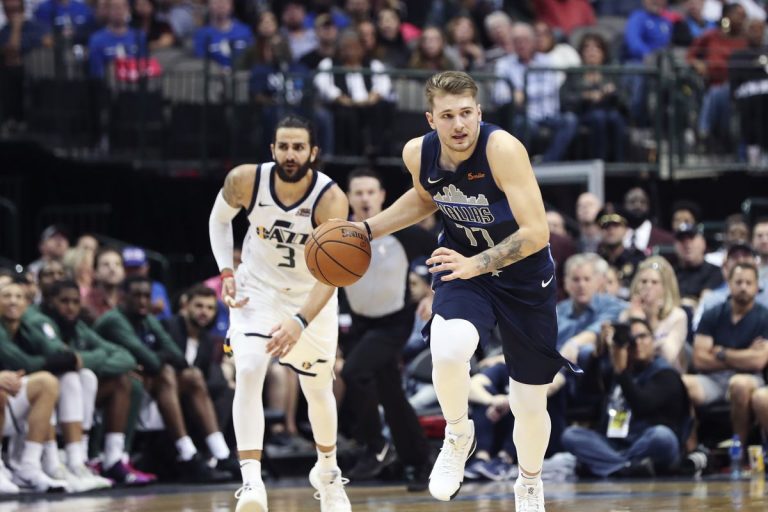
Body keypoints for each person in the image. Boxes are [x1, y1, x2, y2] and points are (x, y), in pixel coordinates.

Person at [349, 71, 577, 510]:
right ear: (430, 119)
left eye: (467, 113)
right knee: (449, 348)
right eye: (448, 115)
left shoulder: (502, 149)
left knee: (529, 400)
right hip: (463, 265)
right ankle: (458, 434)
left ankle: (529, 484)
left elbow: (536, 232)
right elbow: (425, 198)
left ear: (479, 112)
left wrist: (476, 264)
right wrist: (367, 229)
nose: (459, 125)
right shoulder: (418, 152)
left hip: (524, 277)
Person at [208, 115, 352, 512]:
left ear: (313, 152)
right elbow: (219, 220)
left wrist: (301, 320)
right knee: (249, 368)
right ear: (272, 149)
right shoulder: (245, 180)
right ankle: (251, 483)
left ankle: (328, 473)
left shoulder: (330, 198)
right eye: (284, 147)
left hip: (311, 295)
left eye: (298, 147)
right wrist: (226, 270)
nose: (291, 154)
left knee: (317, 388)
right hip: (258, 289)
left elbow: (335, 272)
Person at [340, 168, 433, 489]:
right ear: (349, 197)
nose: (365, 198)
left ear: (382, 196)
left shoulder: (403, 231)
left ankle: (376, 446)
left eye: (370, 192)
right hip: (359, 322)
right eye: (358, 192)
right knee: (392, 394)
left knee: (353, 372)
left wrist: (434, 293)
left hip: (394, 321)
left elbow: (445, 249)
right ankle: (419, 462)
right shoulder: (339, 234)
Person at [561, 318, 690, 477]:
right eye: (632, 339)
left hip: (646, 443)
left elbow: (642, 405)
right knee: (571, 435)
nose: (637, 343)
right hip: (613, 443)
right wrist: (597, 355)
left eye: (642, 336)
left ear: (653, 340)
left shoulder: (665, 374)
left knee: (663, 436)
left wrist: (622, 372)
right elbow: (586, 395)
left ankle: (609, 464)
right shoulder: (615, 370)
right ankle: (627, 466)